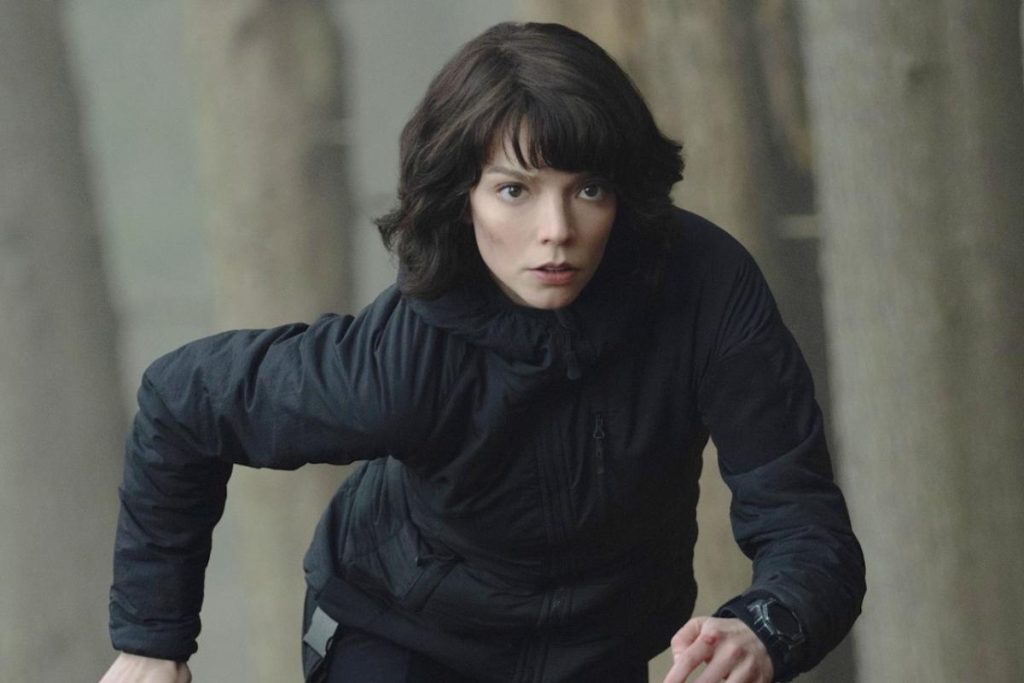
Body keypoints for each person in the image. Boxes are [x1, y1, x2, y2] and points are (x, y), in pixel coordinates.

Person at [100, 21, 864, 683]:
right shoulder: (403, 358)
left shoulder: (704, 290)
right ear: (462, 197)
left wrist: (764, 624)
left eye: (587, 189)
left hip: (597, 651)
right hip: (397, 635)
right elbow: (182, 403)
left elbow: (805, 525)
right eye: (515, 190)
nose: (556, 230)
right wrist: (150, 643)